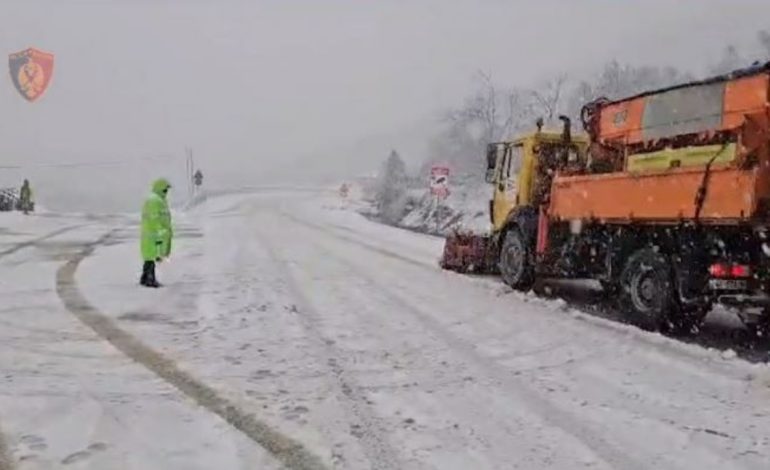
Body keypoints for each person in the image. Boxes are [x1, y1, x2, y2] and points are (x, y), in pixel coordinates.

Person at [140, 178, 173, 288]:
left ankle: (144, 278)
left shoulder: (157, 199)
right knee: (152, 256)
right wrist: (160, 231)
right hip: (153, 234)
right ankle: (150, 279)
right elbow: (154, 218)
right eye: (165, 190)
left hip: (152, 233)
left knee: (150, 256)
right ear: (160, 189)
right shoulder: (154, 200)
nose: (166, 192)